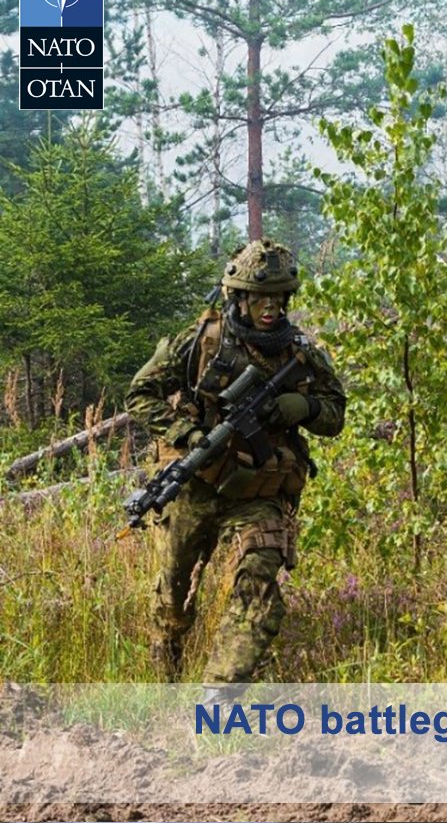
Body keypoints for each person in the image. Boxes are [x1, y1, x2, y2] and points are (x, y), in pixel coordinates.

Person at [127, 239, 345, 696]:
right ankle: (165, 687)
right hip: (197, 484)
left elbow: (335, 414)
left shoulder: (300, 351)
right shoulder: (201, 340)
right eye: (261, 297)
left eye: (278, 298)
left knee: (258, 583)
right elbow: (140, 395)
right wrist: (188, 435)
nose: (270, 307)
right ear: (240, 297)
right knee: (173, 599)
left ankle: (220, 695)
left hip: (259, 491)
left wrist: (304, 406)